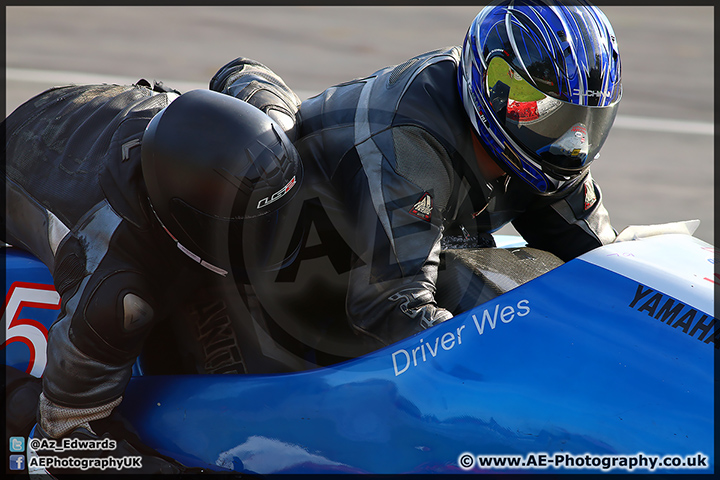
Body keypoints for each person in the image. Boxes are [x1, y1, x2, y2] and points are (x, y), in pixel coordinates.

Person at [210, 0, 621, 360]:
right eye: (555, 114)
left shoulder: (547, 150)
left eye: (586, 121)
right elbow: (391, 307)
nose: (573, 143)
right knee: (476, 292)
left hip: (375, 271)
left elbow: (610, 271)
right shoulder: (410, 145)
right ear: (495, 87)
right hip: (278, 294)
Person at [3, 77, 303, 473]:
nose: (271, 236)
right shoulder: (115, 289)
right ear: (184, 221)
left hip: (99, 109)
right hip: (24, 148)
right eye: (246, 227)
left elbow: (245, 72)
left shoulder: (265, 142)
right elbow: (61, 445)